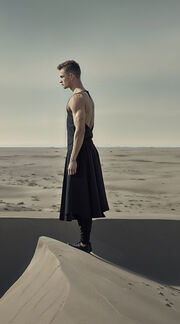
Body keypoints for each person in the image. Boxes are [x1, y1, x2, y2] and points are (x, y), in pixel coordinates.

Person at [57, 60, 109, 253]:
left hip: (80, 152)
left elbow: (79, 130)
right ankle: (85, 242)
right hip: (87, 150)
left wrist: (73, 158)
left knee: (80, 198)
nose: (60, 80)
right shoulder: (88, 96)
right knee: (83, 198)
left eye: (62, 76)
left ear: (72, 76)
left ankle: (84, 243)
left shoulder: (77, 98)